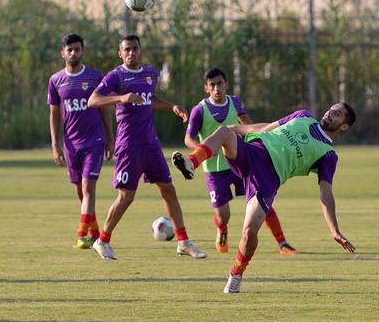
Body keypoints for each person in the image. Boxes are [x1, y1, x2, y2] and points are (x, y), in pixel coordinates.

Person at [172, 103, 357, 293]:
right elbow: (265, 128)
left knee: (249, 232)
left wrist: (334, 230)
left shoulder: (328, 155)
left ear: (344, 126)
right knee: (224, 132)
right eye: (331, 109)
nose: (330, 113)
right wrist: (232, 130)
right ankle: (191, 163)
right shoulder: (303, 115)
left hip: (267, 178)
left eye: (337, 114)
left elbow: (326, 193)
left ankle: (236, 274)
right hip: (252, 150)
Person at [87, 34, 207, 260]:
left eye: (134, 48)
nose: (131, 53)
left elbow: (149, 99)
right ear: (120, 53)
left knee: (168, 190)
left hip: (151, 144)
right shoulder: (116, 76)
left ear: (140, 50)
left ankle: (183, 242)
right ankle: (102, 241)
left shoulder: (150, 74)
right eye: (127, 49)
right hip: (129, 145)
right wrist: (121, 98)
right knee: (126, 197)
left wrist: (171, 106)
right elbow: (93, 100)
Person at [185, 67, 296, 254]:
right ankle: (222, 229)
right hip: (214, 168)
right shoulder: (199, 110)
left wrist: (256, 138)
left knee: (262, 199)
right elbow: (188, 139)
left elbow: (246, 123)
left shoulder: (235, 102)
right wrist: (203, 150)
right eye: (212, 85)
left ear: (226, 84)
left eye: (220, 83)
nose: (216, 88)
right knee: (223, 216)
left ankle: (282, 243)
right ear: (206, 88)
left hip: (239, 160)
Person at [48, 33, 114, 249]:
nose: (73, 53)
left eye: (77, 49)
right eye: (70, 50)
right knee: (80, 191)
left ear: (82, 51)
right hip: (71, 145)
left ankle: (81, 234)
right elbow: (54, 114)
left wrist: (110, 138)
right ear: (63, 53)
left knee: (88, 187)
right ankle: (95, 232)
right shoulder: (56, 80)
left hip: (93, 141)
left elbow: (104, 107)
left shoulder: (95, 77)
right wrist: (55, 144)